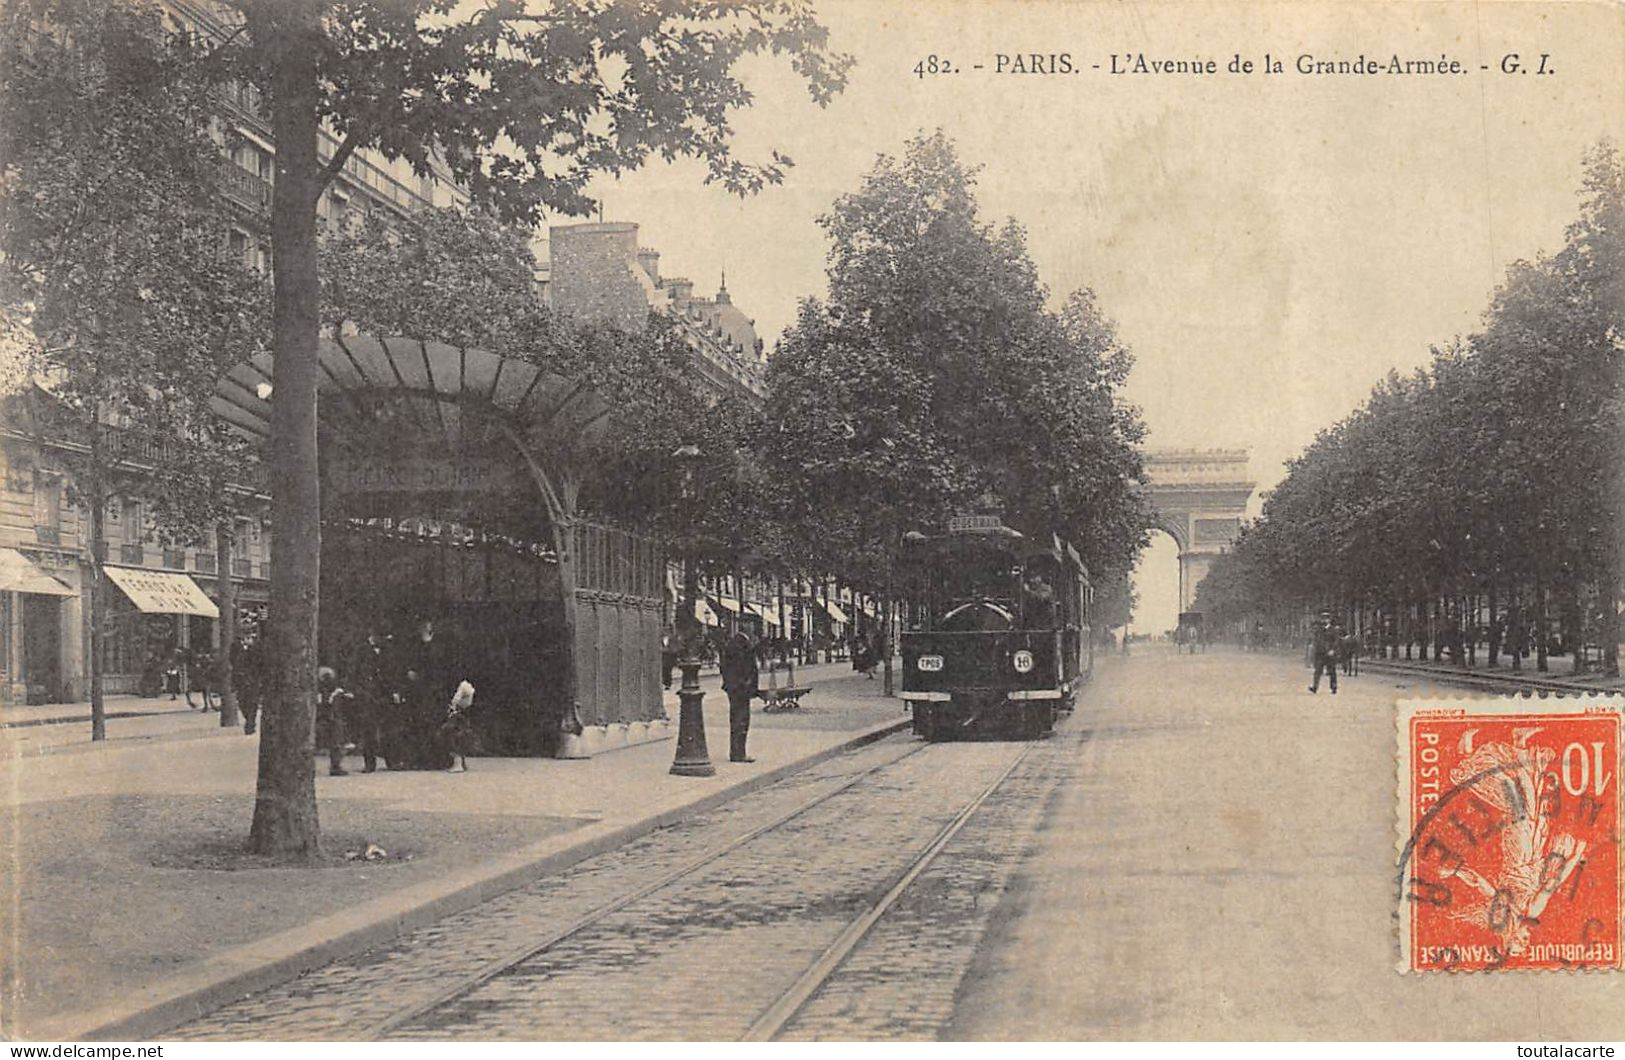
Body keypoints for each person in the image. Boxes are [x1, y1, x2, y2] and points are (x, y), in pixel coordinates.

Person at [346, 628, 391, 773]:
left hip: (382, 694)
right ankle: (369, 763)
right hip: (366, 694)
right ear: (373, 636)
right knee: (368, 728)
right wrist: (356, 690)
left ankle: (391, 760)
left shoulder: (385, 650)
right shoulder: (360, 650)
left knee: (386, 727)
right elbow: (353, 671)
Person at [720, 630, 758, 763]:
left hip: (737, 688)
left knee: (739, 720)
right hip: (740, 689)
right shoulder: (739, 644)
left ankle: (738, 752)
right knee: (741, 720)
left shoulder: (736, 643)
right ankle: (738, 753)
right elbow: (739, 667)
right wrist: (744, 682)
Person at [315, 665, 351, 776]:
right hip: (329, 715)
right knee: (335, 739)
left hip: (330, 715)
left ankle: (336, 765)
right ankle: (335, 766)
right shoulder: (328, 688)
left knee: (336, 739)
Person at [1309, 612, 1339, 694]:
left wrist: (1333, 650)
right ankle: (1315, 687)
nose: (1324, 620)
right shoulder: (1319, 630)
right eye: (1323, 618)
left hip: (1330, 653)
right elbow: (1316, 641)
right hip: (1320, 653)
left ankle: (1334, 687)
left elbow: (1336, 641)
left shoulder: (1333, 630)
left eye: (1326, 618)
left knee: (1332, 670)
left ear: (1329, 620)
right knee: (1317, 670)